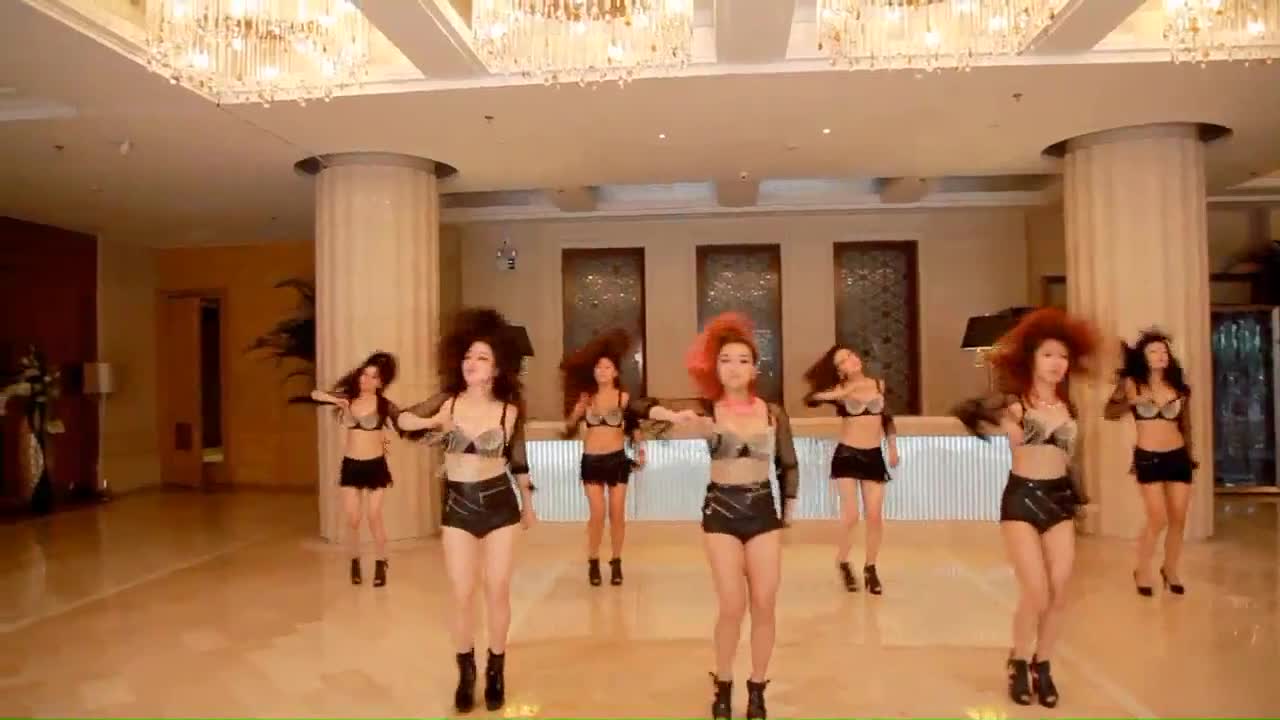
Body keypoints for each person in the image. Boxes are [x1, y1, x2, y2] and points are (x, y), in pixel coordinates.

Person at [630, 312, 798, 720]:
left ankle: (757, 687)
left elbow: (787, 462)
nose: (734, 367)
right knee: (731, 605)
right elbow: (637, 408)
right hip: (721, 510)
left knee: (765, 603)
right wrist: (673, 417)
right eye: (725, 360)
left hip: (763, 511)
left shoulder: (772, 412)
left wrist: (789, 509)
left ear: (755, 368)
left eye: (743, 360)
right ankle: (723, 682)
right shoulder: (706, 409)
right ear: (714, 367)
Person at [951, 307, 1099, 709]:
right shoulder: (1014, 404)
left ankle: (1042, 664)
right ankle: (1018, 660)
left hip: (1059, 499)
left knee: (1060, 590)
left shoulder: (1069, 408)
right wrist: (1004, 425)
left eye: (1063, 356)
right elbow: (965, 412)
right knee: (1036, 590)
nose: (1056, 363)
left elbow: (1071, 461)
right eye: (1048, 354)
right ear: (1031, 358)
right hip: (1021, 498)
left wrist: (1083, 500)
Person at [396, 308, 536, 715]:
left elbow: (518, 461)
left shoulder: (510, 411)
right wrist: (433, 423)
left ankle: (496, 669)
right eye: (468, 356)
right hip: (458, 504)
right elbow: (403, 418)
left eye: (482, 357)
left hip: (500, 504)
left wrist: (528, 505)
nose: (472, 363)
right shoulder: (448, 402)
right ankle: (466, 672)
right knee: (461, 594)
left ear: (497, 368)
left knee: (498, 589)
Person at [1104, 328, 1195, 596]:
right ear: (1143, 357)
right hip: (1148, 456)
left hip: (1178, 455)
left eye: (1163, 351)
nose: (1160, 355)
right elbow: (1109, 412)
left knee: (1179, 517)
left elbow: (1186, 426)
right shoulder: (1131, 383)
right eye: (1153, 351)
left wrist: (1190, 456)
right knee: (1158, 517)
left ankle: (1170, 569)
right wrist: (1133, 401)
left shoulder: (1178, 387)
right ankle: (1142, 570)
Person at [802, 344, 899, 594]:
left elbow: (887, 418)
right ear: (839, 371)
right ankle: (843, 560)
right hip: (847, 454)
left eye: (851, 355)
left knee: (875, 515)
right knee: (852, 515)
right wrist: (842, 393)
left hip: (873, 455)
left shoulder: (877, 384)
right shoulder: (840, 390)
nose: (851, 360)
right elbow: (810, 400)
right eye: (843, 361)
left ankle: (871, 568)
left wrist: (892, 447)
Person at [560, 329, 646, 587]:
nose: (602, 371)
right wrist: (577, 411)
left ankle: (616, 561)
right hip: (592, 460)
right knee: (597, 513)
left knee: (617, 513)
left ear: (615, 372)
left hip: (617, 459)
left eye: (607, 367)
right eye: (598, 368)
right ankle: (593, 559)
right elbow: (567, 429)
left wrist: (641, 450)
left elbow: (634, 426)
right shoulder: (586, 399)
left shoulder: (623, 398)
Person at [309, 351, 400, 588]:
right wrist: (336, 401)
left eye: (373, 377)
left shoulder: (384, 405)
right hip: (351, 465)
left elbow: (400, 424)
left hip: (375, 465)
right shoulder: (348, 398)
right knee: (353, 519)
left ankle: (381, 561)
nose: (366, 380)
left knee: (374, 516)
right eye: (364, 374)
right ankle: (354, 560)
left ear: (380, 382)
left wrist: (388, 444)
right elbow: (315, 394)